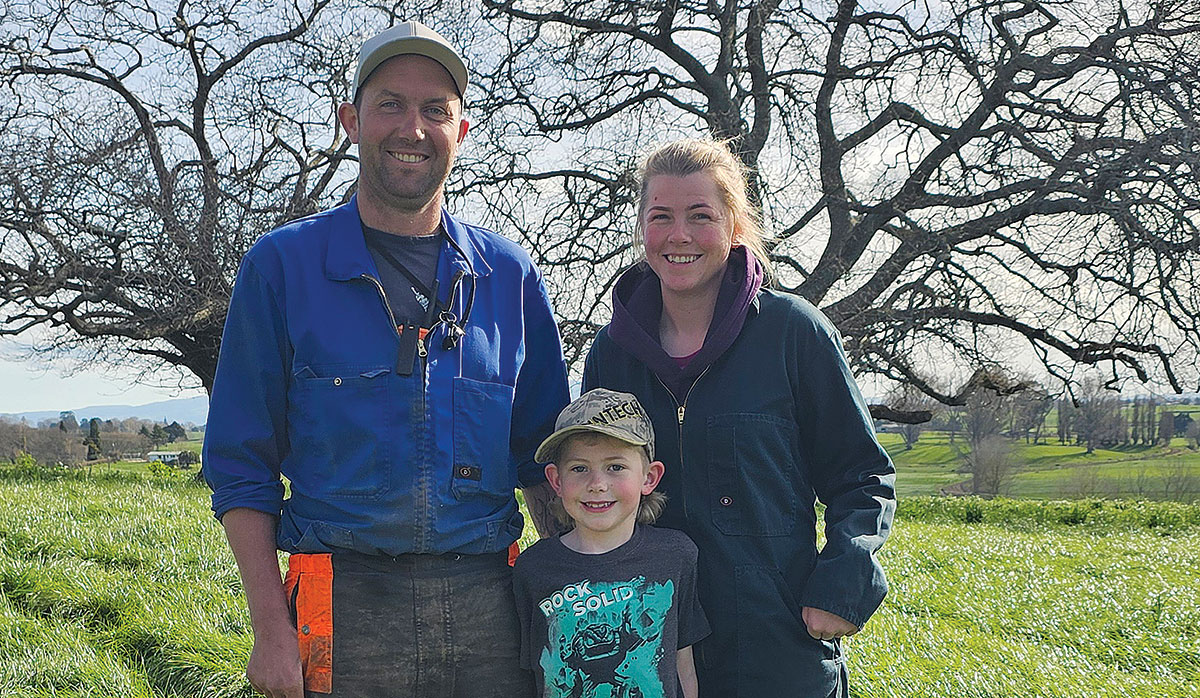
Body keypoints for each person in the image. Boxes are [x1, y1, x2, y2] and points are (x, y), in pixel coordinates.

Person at [202, 21, 570, 698]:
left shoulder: (509, 276)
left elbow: (547, 463)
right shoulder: (282, 267)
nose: (412, 127)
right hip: (340, 604)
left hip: (492, 606)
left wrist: (579, 590)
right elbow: (240, 464)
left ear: (462, 132)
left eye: (436, 110)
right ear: (351, 121)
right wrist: (267, 627)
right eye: (390, 105)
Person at [582, 138, 896, 697]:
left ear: (734, 225)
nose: (679, 236)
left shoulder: (793, 333)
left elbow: (863, 478)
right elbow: (593, 488)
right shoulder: (613, 353)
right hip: (647, 648)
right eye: (661, 217)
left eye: (700, 216)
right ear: (641, 229)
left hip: (777, 645)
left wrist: (844, 582)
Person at [513, 388, 709, 698]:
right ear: (556, 481)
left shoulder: (676, 555)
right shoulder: (533, 568)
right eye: (579, 469)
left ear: (649, 477)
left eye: (615, 467)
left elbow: (683, 661)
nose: (597, 484)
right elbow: (533, 672)